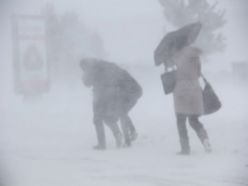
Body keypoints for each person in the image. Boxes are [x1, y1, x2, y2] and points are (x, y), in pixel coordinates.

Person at [80, 58, 142, 150]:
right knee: (114, 114)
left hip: (121, 92)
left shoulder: (98, 69)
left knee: (109, 115)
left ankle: (121, 138)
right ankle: (125, 135)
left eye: (84, 69)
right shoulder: (105, 67)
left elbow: (89, 83)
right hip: (116, 92)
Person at [171, 46, 211, 155]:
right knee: (194, 120)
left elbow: (174, 72)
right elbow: (198, 74)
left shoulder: (177, 55)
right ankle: (205, 139)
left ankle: (185, 148)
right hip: (195, 89)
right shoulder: (196, 55)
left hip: (181, 91)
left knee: (181, 121)